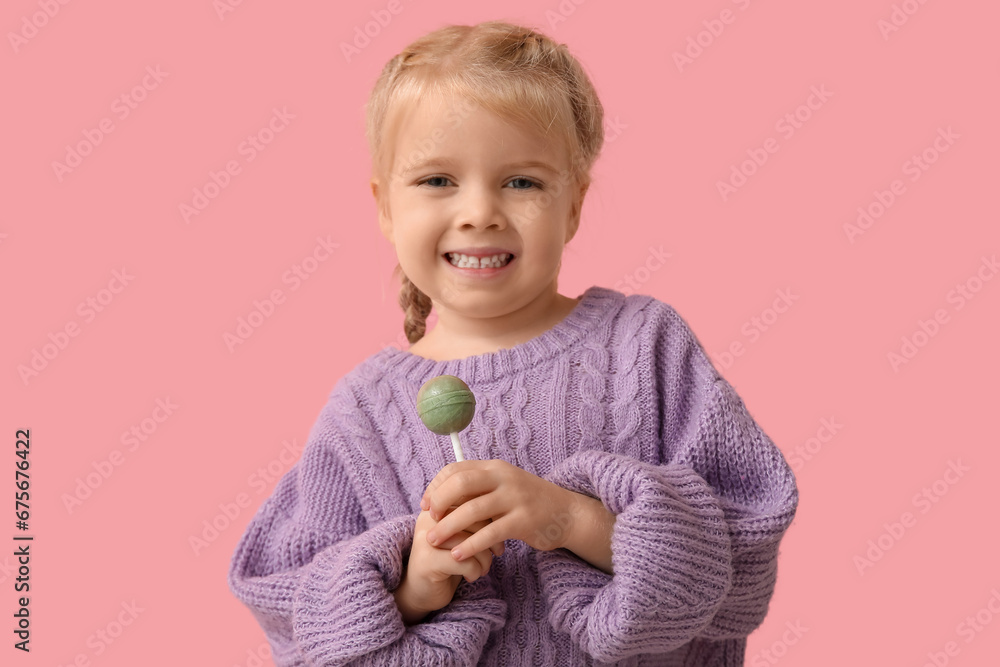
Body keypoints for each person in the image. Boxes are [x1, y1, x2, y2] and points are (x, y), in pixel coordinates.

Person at [228, 20, 798, 666]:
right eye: (437, 180)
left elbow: (743, 547)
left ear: (574, 204)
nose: (479, 212)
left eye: (521, 182)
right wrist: (415, 584)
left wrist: (567, 521)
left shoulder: (646, 347)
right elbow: (297, 614)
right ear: (385, 207)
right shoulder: (362, 412)